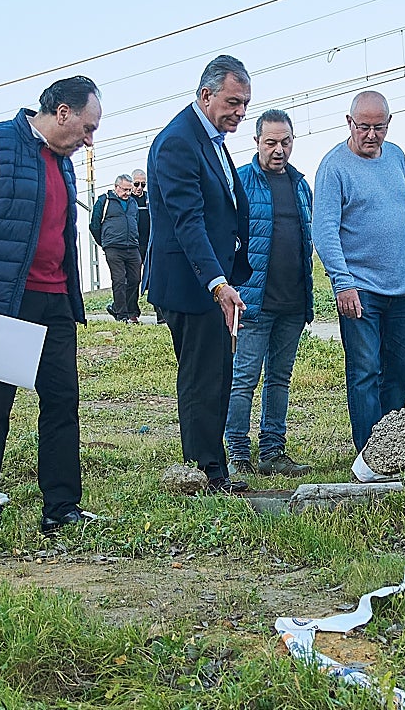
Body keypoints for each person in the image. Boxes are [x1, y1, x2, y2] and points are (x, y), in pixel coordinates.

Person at [0, 75, 100, 536]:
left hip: (54, 300)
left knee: (61, 402)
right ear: (63, 112)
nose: (89, 140)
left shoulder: (64, 163)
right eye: (87, 128)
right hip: (3, 302)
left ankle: (61, 508)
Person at [145, 55, 253, 493]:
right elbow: (187, 220)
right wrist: (217, 282)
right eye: (232, 101)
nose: (240, 112)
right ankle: (204, 472)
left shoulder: (211, 140)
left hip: (215, 282)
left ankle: (213, 466)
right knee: (201, 377)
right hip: (193, 286)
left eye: (245, 103)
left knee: (217, 373)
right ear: (206, 95)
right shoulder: (178, 141)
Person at [313, 91, 405, 452]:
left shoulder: (398, 157)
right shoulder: (334, 167)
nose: (371, 135)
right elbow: (324, 231)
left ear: (389, 124)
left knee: (401, 370)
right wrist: (342, 283)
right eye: (364, 127)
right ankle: (370, 454)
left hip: (402, 289)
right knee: (365, 372)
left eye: (379, 127)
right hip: (359, 290)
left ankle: (394, 446)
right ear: (349, 123)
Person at [224, 109, 314, 477]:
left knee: (280, 378)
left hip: (292, 302)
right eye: (271, 142)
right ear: (257, 141)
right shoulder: (240, 182)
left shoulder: (300, 185)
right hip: (252, 304)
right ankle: (238, 451)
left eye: (285, 142)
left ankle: (274, 450)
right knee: (244, 378)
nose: (279, 150)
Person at [90, 173, 141, 323]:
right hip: (113, 247)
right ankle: (122, 315)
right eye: (124, 189)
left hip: (132, 246)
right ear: (116, 187)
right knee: (119, 280)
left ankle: (119, 308)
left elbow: (135, 221)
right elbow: (94, 224)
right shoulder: (104, 201)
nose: (127, 193)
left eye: (129, 190)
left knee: (135, 279)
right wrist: (104, 242)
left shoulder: (133, 203)